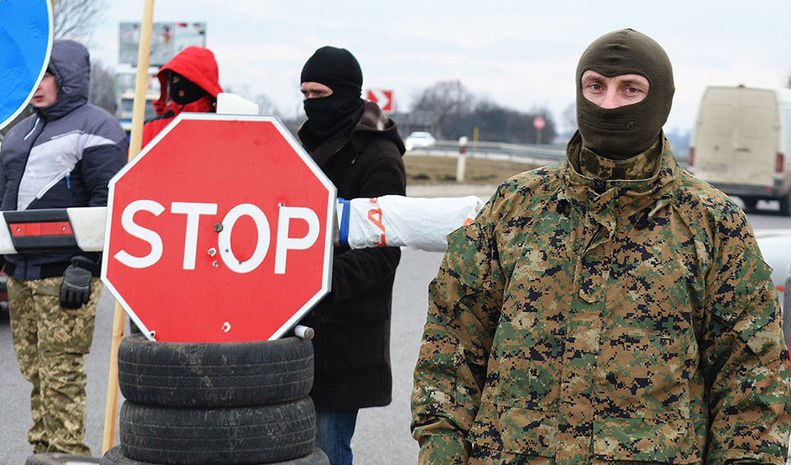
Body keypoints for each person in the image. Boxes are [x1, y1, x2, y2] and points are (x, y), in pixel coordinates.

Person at [411, 28, 791, 464]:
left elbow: (751, 378)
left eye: (630, 89)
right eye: (596, 86)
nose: (608, 104)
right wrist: (441, 451)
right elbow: (452, 341)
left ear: (661, 100)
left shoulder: (712, 223)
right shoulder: (516, 206)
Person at [0, 40, 128, 455]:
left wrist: (87, 264)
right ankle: (43, 453)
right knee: (36, 373)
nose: (38, 86)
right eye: (34, 77)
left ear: (69, 78)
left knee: (62, 373)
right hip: (21, 275)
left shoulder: (99, 128)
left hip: (66, 274)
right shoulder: (20, 133)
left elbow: (108, 202)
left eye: (48, 76)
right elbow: (0, 202)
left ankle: (67, 456)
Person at [297, 46, 407, 465]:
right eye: (304, 92)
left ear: (345, 93)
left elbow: (383, 253)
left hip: (345, 332)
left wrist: (318, 282)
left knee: (327, 449)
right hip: (296, 326)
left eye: (319, 93)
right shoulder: (300, 146)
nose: (310, 102)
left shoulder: (378, 156)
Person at [141, 45, 222, 147]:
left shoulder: (224, 128)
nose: (179, 86)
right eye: (174, 79)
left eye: (187, 79)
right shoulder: (150, 129)